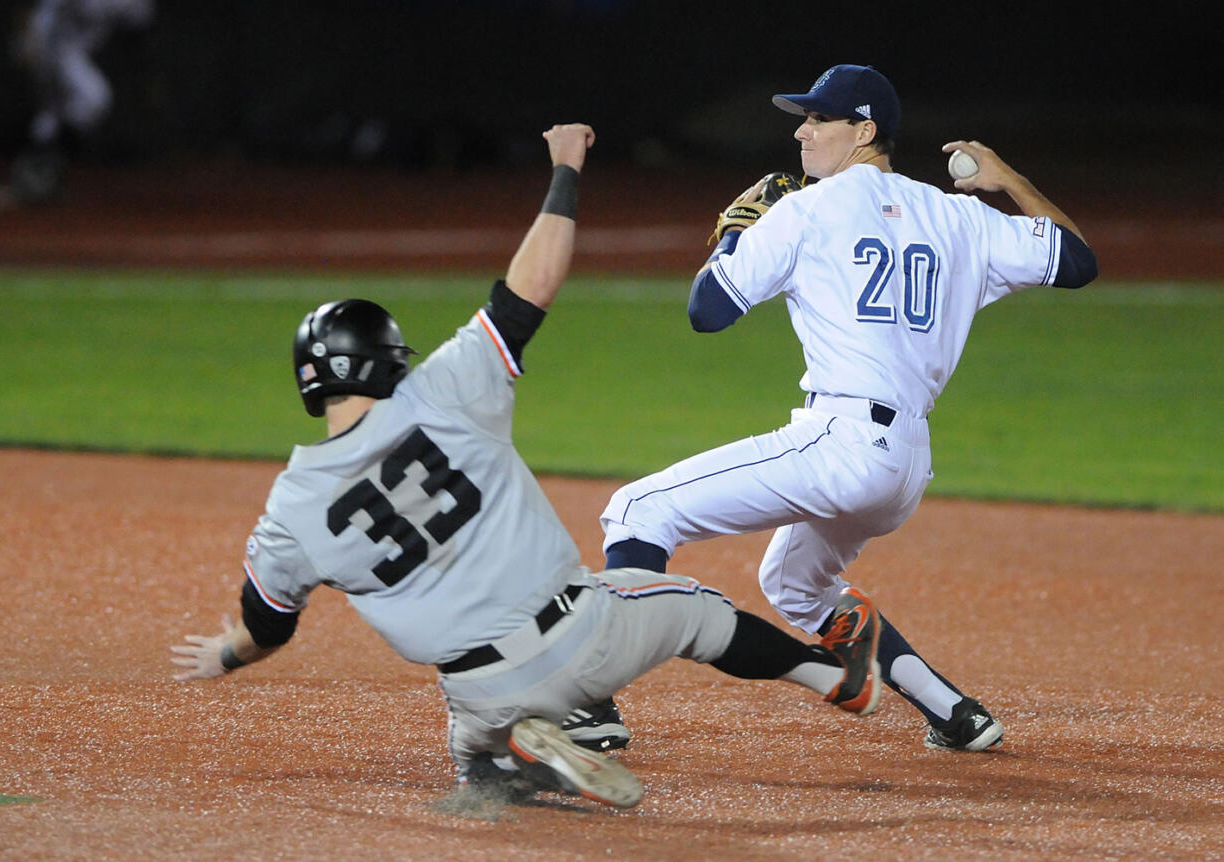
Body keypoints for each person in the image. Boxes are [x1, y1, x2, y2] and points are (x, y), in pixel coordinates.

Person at [169, 122, 888, 810]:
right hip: (583, 638)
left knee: (477, 762)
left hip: (477, 691)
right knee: (698, 613)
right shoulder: (442, 391)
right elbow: (529, 286)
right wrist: (566, 169)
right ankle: (837, 680)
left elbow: (268, 627)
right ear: (388, 359)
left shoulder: (290, 509)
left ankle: (509, 753)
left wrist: (225, 657)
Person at [591, 64, 1098, 753]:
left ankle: (586, 699)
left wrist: (741, 231)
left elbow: (707, 311)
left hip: (842, 442)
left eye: (818, 119)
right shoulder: (959, 215)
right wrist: (1007, 178)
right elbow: (1076, 260)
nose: (801, 131)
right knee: (795, 583)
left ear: (864, 132)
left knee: (636, 511)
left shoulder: (806, 209)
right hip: (907, 466)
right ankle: (954, 711)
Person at [5, 0, 154, 205]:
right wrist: (31, 40)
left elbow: (138, 28)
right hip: (50, 46)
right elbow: (45, 11)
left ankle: (38, 171)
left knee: (55, 114)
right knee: (94, 98)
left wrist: (144, 75)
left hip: (75, 51)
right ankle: (37, 172)